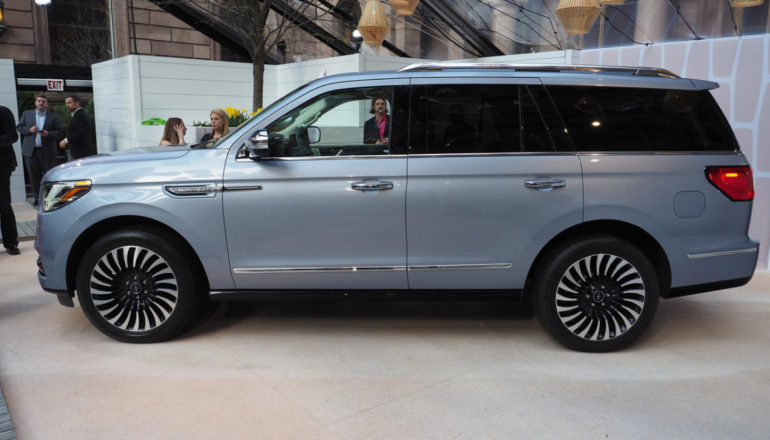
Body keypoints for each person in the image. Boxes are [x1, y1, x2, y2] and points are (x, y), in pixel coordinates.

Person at [17, 94, 62, 206]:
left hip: (47, 152)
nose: (41, 103)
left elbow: (59, 132)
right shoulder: (27, 114)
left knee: (49, 176)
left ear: (46, 104)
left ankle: (50, 198)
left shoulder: (54, 117)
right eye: (39, 101)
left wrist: (49, 134)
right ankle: (37, 198)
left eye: (43, 101)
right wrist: (29, 130)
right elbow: (19, 127)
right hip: (31, 151)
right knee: (33, 176)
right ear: (35, 103)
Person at [0, 105, 20, 255]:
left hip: (2, 166)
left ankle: (11, 243)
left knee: (4, 205)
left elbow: (13, 135)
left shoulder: (3, 111)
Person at [58, 95, 95, 160]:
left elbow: (81, 133)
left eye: (69, 103)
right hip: (80, 152)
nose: (67, 106)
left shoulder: (80, 115)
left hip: (82, 153)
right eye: (66, 103)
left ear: (77, 103)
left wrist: (66, 140)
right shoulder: (78, 114)